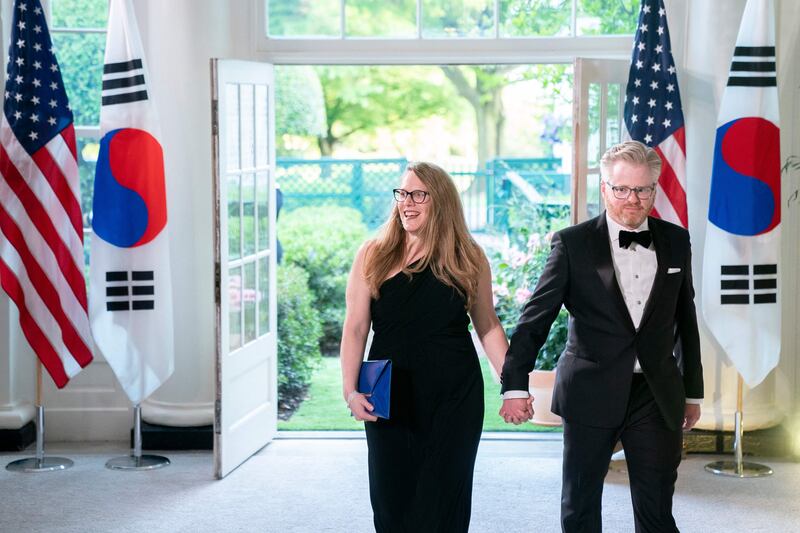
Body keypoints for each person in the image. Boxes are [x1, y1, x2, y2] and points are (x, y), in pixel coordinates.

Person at [500, 140, 703, 532]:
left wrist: (692, 390)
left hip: (655, 392)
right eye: (622, 188)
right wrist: (514, 385)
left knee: (657, 507)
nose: (632, 198)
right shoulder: (572, 243)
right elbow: (535, 320)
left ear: (655, 190)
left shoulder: (677, 240)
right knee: (580, 505)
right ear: (604, 188)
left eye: (642, 189)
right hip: (590, 388)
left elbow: (686, 319)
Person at [341, 161, 518, 532]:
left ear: (442, 202)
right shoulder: (373, 254)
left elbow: (487, 326)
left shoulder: (468, 256)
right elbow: (356, 328)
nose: (407, 202)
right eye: (402, 193)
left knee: (444, 499)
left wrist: (513, 387)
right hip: (387, 394)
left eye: (418, 195)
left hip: (454, 395)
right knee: (392, 501)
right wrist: (350, 390)